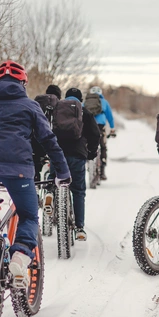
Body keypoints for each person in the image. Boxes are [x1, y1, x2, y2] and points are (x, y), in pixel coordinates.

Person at [0, 61, 71, 284]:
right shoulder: (30, 107)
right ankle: (20, 255)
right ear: (22, 83)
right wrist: (62, 172)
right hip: (18, 170)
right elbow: (48, 140)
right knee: (28, 215)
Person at [50, 87, 100, 241]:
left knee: (54, 181)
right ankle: (79, 228)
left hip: (58, 154)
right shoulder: (85, 112)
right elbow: (95, 134)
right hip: (77, 156)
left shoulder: (57, 110)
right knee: (78, 191)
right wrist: (91, 152)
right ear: (81, 99)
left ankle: (51, 196)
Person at [83, 85, 115, 180]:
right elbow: (110, 116)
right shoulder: (104, 102)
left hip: (87, 125)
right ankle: (102, 171)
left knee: (85, 145)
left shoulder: (86, 102)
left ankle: (86, 163)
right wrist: (112, 128)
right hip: (100, 126)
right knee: (103, 146)